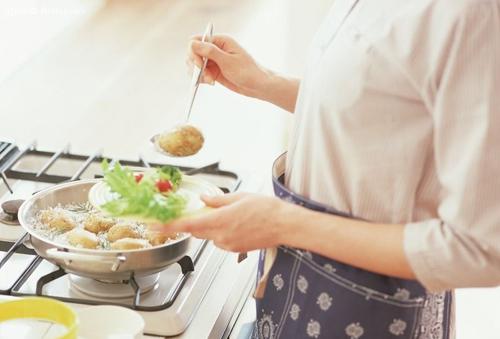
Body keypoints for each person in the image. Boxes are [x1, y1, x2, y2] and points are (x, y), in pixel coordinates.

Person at [163, 0, 500, 338]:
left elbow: (480, 249)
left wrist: (282, 223)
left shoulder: (469, 13)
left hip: (373, 312)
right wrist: (264, 81)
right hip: (303, 286)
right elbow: (385, 109)